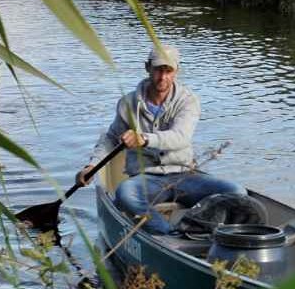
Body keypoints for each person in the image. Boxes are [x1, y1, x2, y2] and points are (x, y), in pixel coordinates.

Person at [82, 43, 244, 235]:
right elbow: (110, 139)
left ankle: (194, 227)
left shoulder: (188, 100)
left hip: (184, 175)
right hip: (145, 178)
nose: (163, 77)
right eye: (158, 70)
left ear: (177, 71)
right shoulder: (128, 103)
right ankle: (169, 235)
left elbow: (180, 137)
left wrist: (143, 139)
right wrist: (92, 166)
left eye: (169, 71)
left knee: (236, 192)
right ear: (147, 67)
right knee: (125, 194)